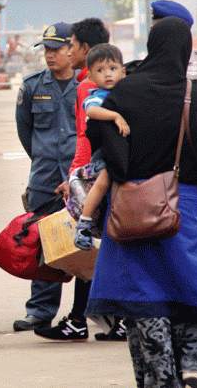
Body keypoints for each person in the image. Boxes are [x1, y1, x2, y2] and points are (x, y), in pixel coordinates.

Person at [84, 16, 197, 388]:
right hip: (188, 212)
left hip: (133, 212)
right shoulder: (196, 95)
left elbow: (107, 154)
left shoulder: (126, 91)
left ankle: (159, 378)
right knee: (191, 293)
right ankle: (192, 368)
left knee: (144, 301)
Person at [35, 18, 126, 342]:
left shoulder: (87, 86)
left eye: (71, 45)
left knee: (89, 247)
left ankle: (81, 320)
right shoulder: (118, 85)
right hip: (119, 170)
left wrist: (76, 174)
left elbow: (86, 138)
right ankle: (106, 320)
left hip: (98, 172)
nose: (68, 51)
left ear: (84, 50)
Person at [14, 22, 78, 332]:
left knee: (87, 245)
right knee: (43, 246)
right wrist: (44, 159)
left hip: (82, 180)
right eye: (46, 50)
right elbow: (25, 134)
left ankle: (87, 311)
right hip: (44, 180)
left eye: (56, 49)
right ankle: (40, 311)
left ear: (71, 49)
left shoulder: (87, 85)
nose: (50, 56)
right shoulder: (32, 87)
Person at [73, 44, 127, 251]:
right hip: (104, 155)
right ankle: (84, 223)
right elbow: (93, 110)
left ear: (123, 71)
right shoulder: (97, 96)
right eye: (100, 71)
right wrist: (115, 115)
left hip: (120, 152)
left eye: (113, 69)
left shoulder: (125, 92)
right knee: (104, 180)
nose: (108, 75)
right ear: (92, 78)